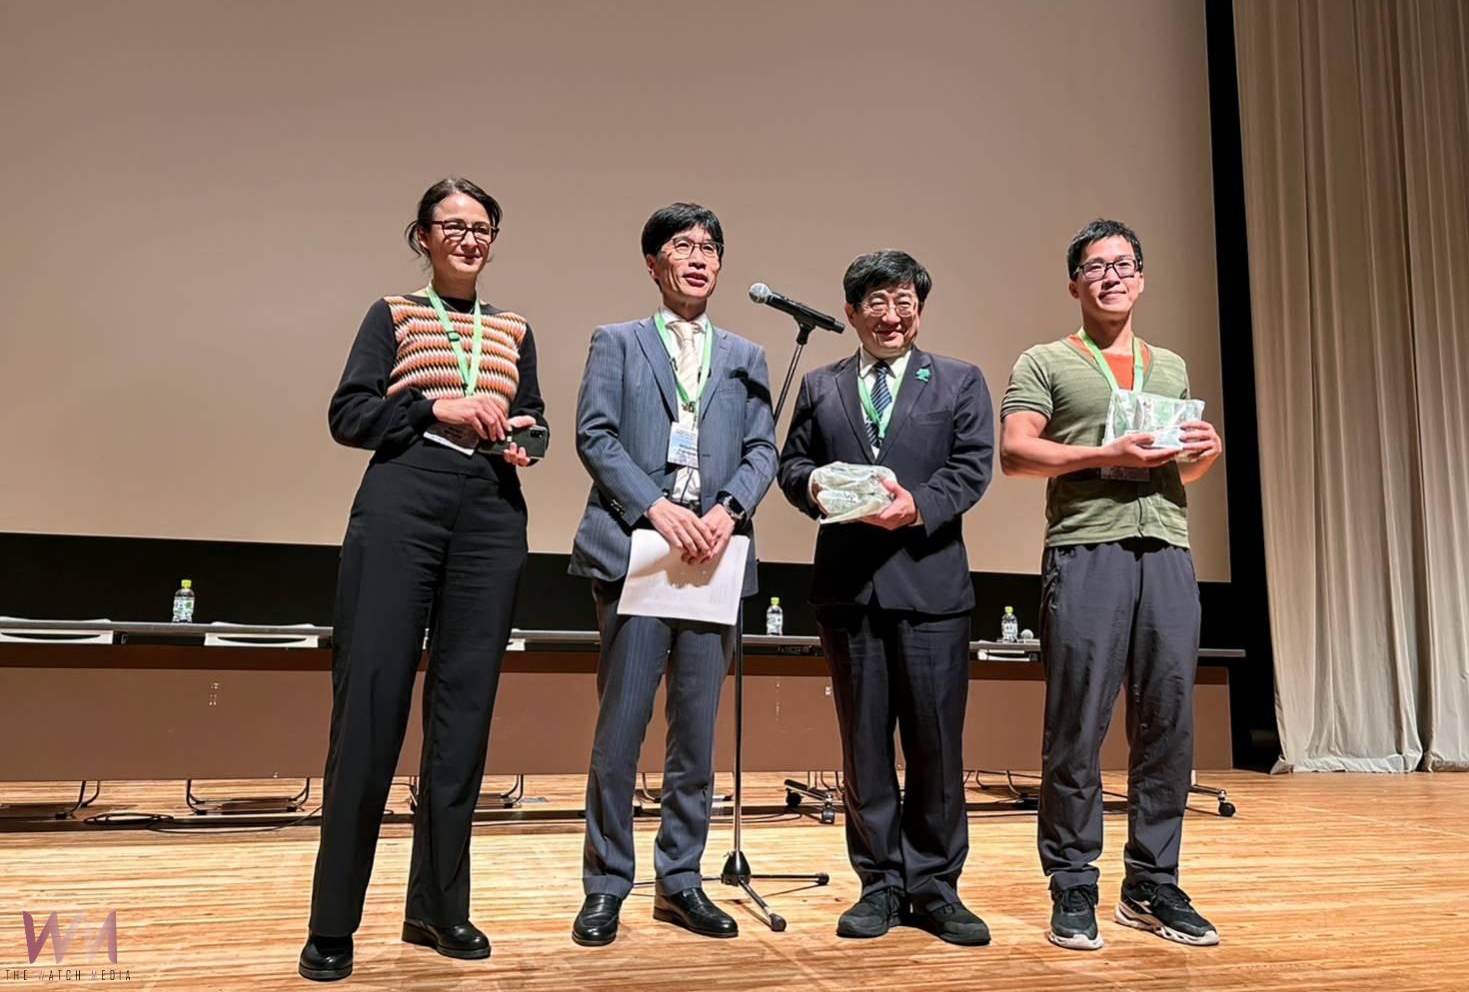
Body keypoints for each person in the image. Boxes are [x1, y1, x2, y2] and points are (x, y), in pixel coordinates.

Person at [299, 176, 545, 982]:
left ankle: (438, 909)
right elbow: (349, 415)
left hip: (491, 513)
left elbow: (535, 417)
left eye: (483, 228)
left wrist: (525, 438)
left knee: (463, 718)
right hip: (403, 501)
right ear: (423, 236)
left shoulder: (514, 328)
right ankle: (333, 923)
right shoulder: (394, 315)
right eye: (454, 226)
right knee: (370, 711)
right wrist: (435, 408)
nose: (470, 240)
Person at [999, 218, 1224, 952]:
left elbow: (1181, 469)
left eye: (1124, 265)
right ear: (1075, 285)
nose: (1112, 276)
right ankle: (1073, 882)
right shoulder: (1045, 361)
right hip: (1086, 547)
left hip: (1167, 548)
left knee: (1168, 724)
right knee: (1078, 723)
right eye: (1096, 267)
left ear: (1142, 279)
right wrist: (1106, 452)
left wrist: (1206, 453)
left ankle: (1152, 882)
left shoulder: (1170, 366)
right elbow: (1016, 452)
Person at [568, 202, 778, 947]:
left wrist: (728, 509)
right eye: (682, 246)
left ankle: (681, 880)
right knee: (621, 730)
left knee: (696, 733)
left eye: (709, 247)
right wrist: (656, 509)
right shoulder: (618, 341)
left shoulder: (746, 355)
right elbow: (595, 434)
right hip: (640, 549)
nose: (698, 258)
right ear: (653, 263)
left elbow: (763, 450)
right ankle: (606, 885)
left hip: (714, 554)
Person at [777, 250, 994, 946]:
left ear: (919, 310)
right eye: (876, 301)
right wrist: (813, 486)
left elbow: (972, 467)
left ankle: (935, 887)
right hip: (849, 593)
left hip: (931, 587)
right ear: (851, 312)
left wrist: (916, 506)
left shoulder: (959, 380)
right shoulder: (821, 384)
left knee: (936, 747)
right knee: (864, 746)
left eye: (904, 301)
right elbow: (793, 464)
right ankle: (880, 884)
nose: (891, 315)